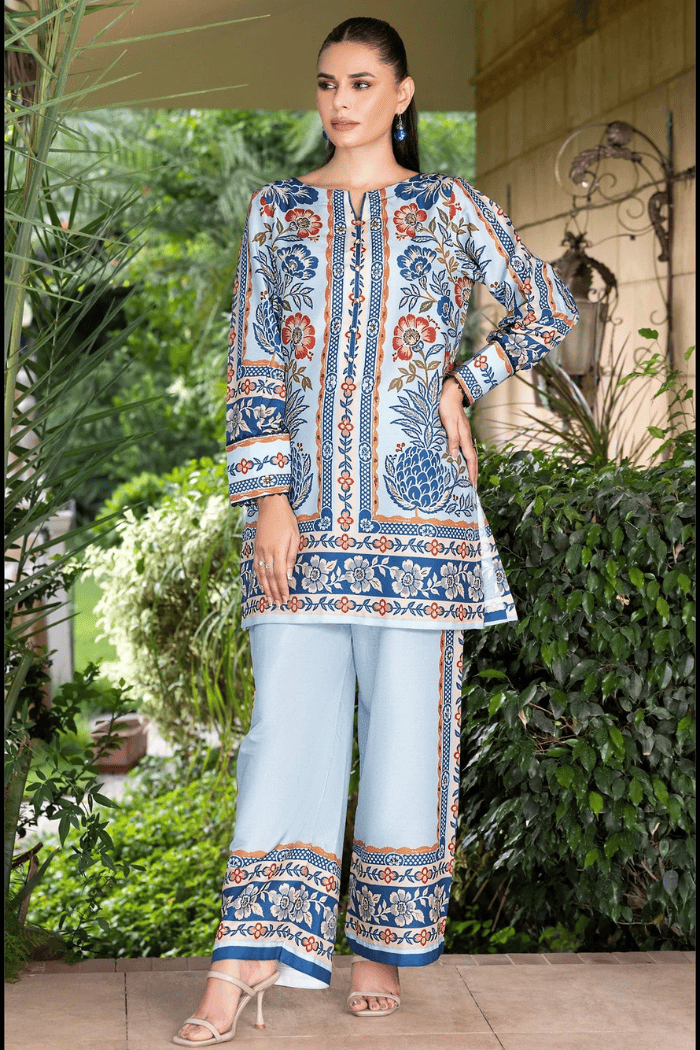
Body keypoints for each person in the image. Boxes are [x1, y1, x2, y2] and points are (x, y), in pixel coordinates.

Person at [174, 15, 578, 1046]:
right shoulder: (278, 212)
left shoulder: (449, 207)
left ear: (401, 95)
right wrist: (269, 499)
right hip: (302, 526)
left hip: (421, 530)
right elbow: (254, 360)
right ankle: (242, 959)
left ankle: (381, 950)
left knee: (405, 743)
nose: (341, 101)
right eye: (327, 83)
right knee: (282, 737)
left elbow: (544, 304)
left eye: (361, 82)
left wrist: (465, 379)